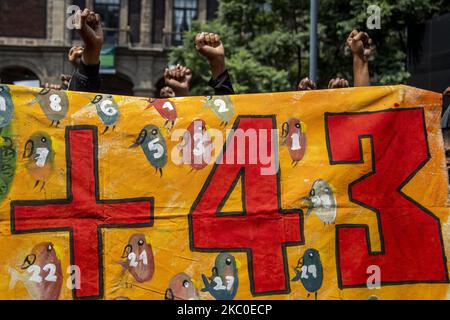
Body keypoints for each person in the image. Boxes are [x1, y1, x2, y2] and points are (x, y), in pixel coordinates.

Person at [68, 9, 103, 93]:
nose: (79, 49)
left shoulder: (86, 78)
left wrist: (94, 44)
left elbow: (87, 75)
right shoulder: (83, 78)